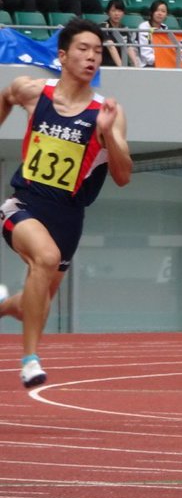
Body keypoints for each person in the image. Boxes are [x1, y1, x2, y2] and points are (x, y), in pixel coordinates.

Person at [0, 20, 131, 388]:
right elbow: (7, 95)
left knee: (33, 305)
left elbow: (123, 176)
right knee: (43, 258)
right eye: (83, 49)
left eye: (98, 52)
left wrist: (109, 137)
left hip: (69, 218)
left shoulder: (107, 111)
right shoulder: (34, 91)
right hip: (23, 203)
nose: (92, 57)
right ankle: (29, 360)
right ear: (62, 55)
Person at [133, 0, 169, 69]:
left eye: (163, 11)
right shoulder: (144, 27)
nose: (160, 13)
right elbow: (146, 55)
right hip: (145, 65)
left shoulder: (165, 28)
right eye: (157, 10)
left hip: (161, 63)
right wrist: (163, 60)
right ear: (152, 12)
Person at [99, 0, 133, 67]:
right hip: (107, 66)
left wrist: (137, 67)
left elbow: (129, 48)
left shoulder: (124, 28)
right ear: (108, 12)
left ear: (123, 13)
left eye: (119, 11)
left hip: (123, 65)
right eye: (113, 11)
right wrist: (121, 68)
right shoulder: (103, 27)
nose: (116, 14)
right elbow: (111, 47)